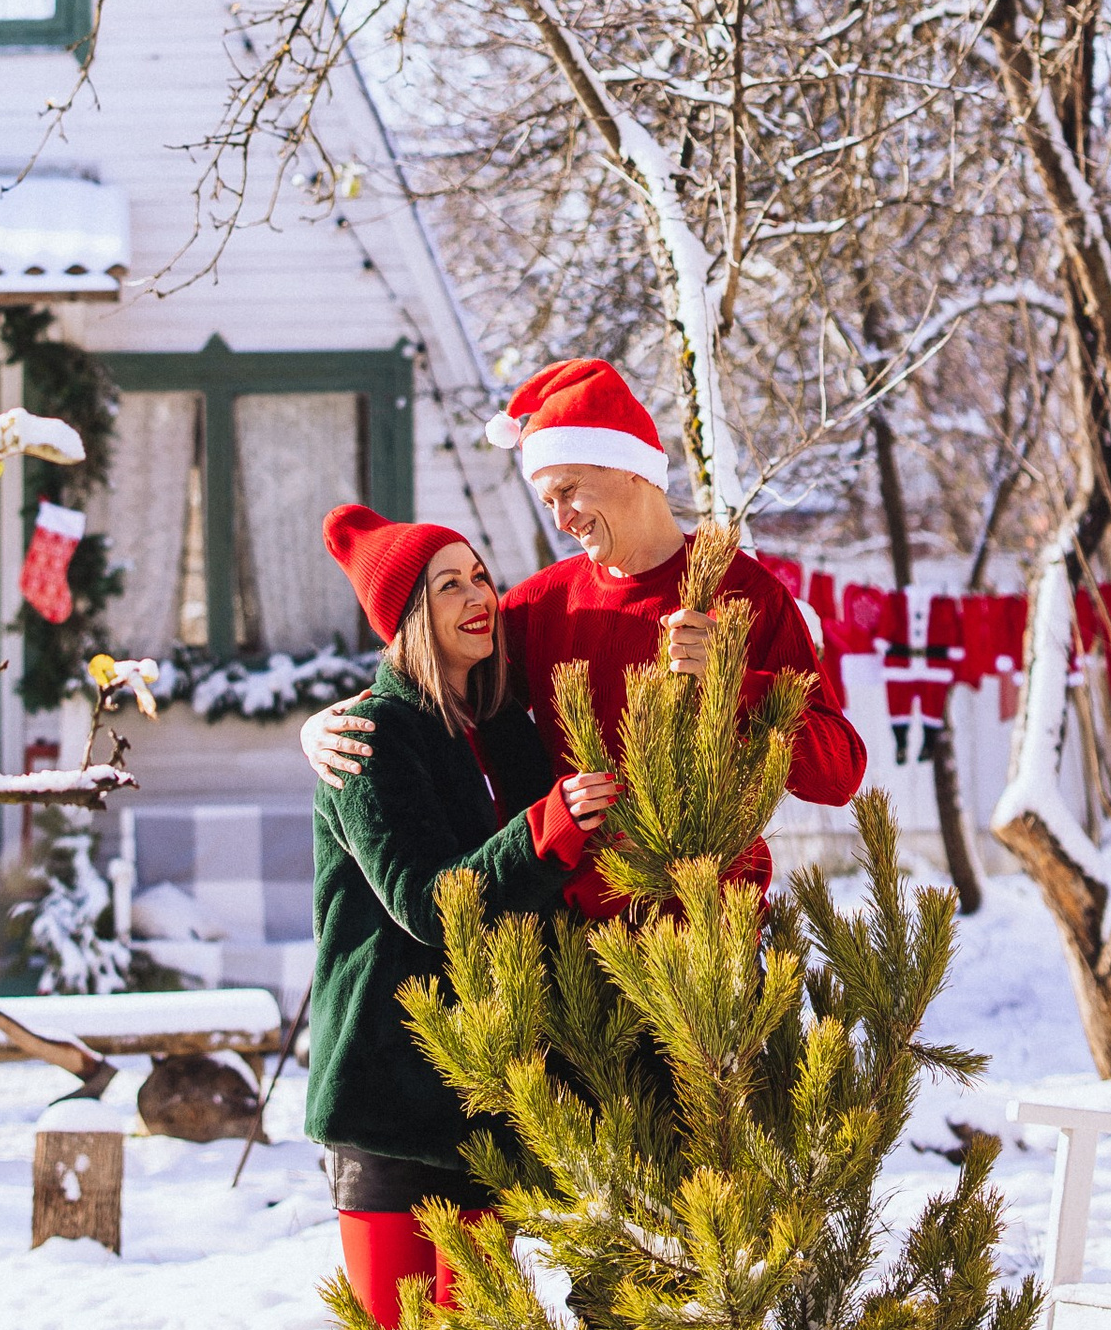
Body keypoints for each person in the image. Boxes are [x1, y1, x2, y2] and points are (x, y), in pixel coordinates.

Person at [269, 499, 617, 1330]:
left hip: (489, 1077)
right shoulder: (369, 739)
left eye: (480, 575)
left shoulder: (505, 733)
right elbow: (430, 903)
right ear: (406, 615)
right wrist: (547, 834)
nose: (478, 597)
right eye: (448, 585)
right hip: (385, 1079)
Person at [301, 357, 866, 918]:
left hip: (710, 953)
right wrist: (323, 727)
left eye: (569, 490)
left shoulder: (743, 593)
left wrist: (734, 685)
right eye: (548, 502)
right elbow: (436, 686)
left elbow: (839, 775)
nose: (561, 519)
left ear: (630, 467)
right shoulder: (540, 605)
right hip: (571, 959)